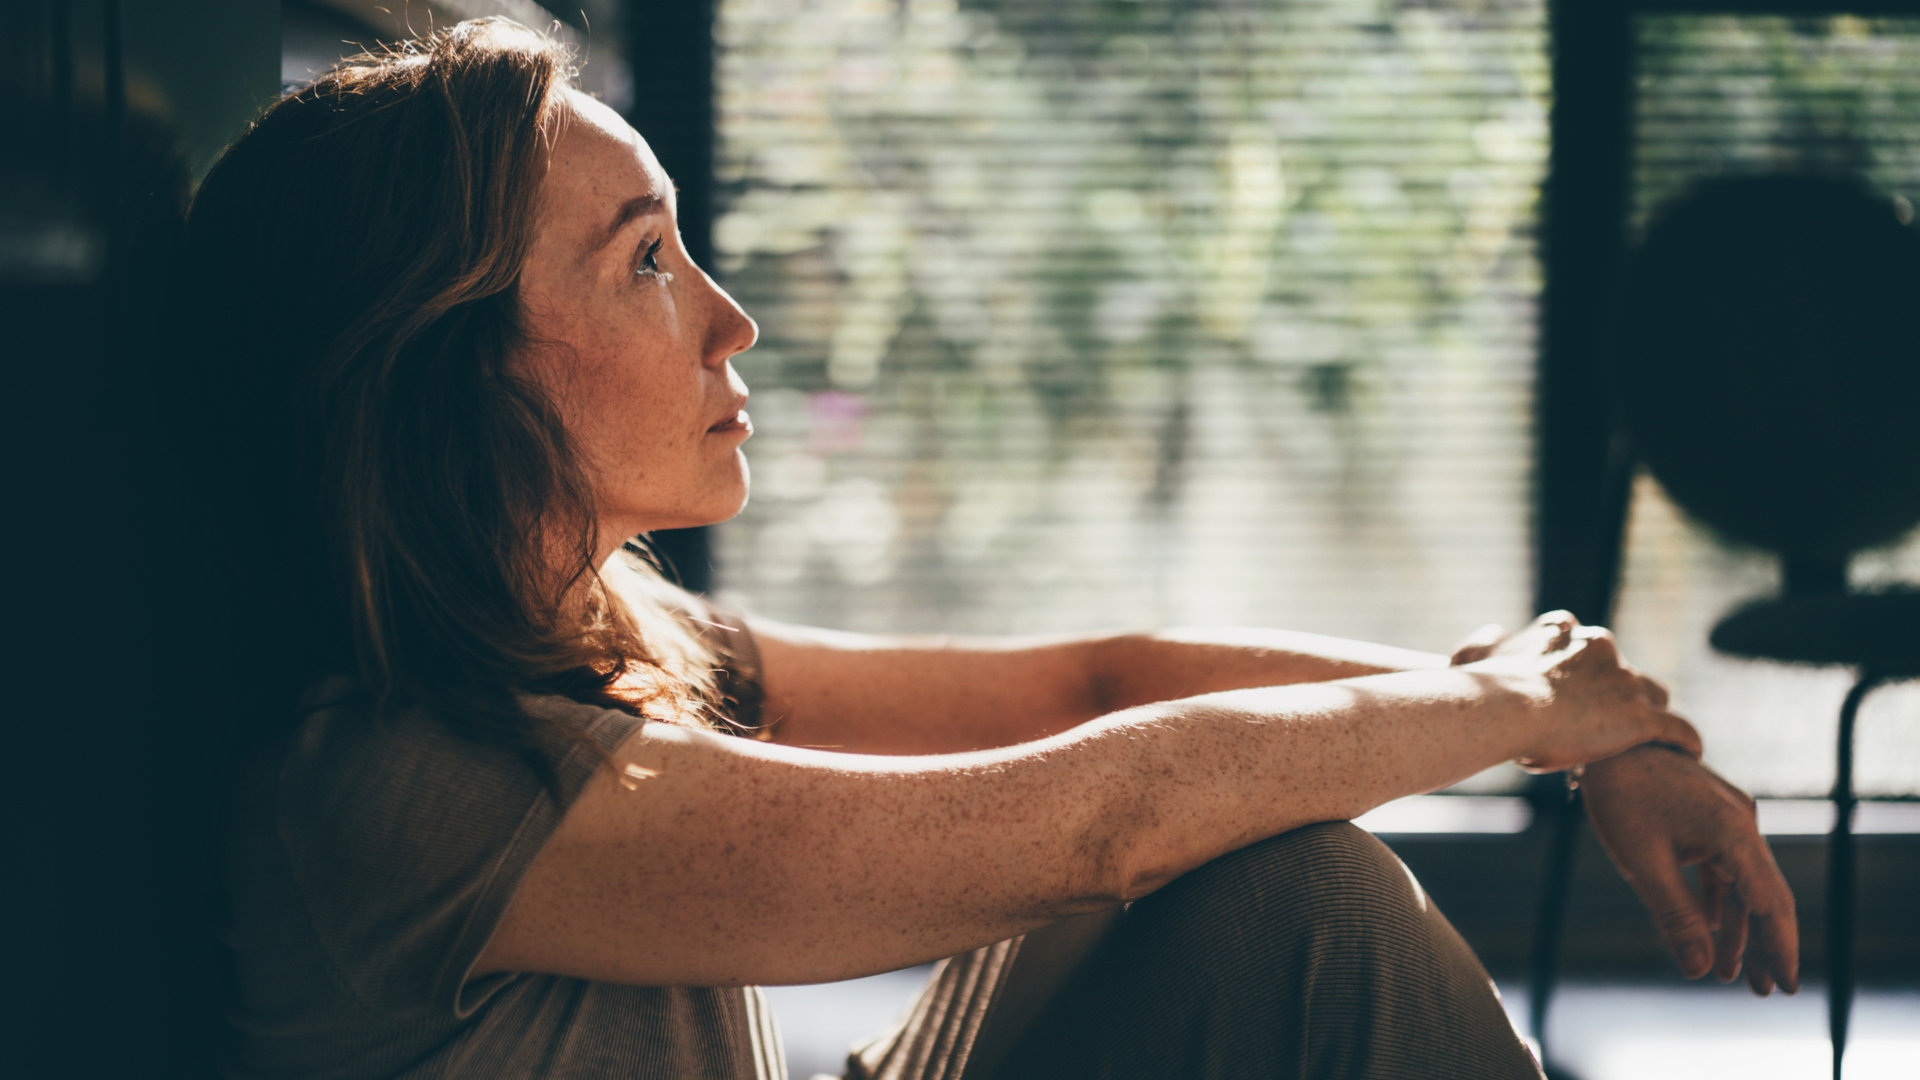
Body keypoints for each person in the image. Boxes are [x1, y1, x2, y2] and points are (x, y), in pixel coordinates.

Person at [197, 20, 1797, 1080]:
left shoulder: (606, 630)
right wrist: (1530, 711)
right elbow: (1101, 822)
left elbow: (1096, 682)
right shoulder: (396, 791)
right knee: (1261, 881)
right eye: (643, 263)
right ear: (461, 371)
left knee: (1290, 883)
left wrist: (1591, 734)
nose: (730, 319)